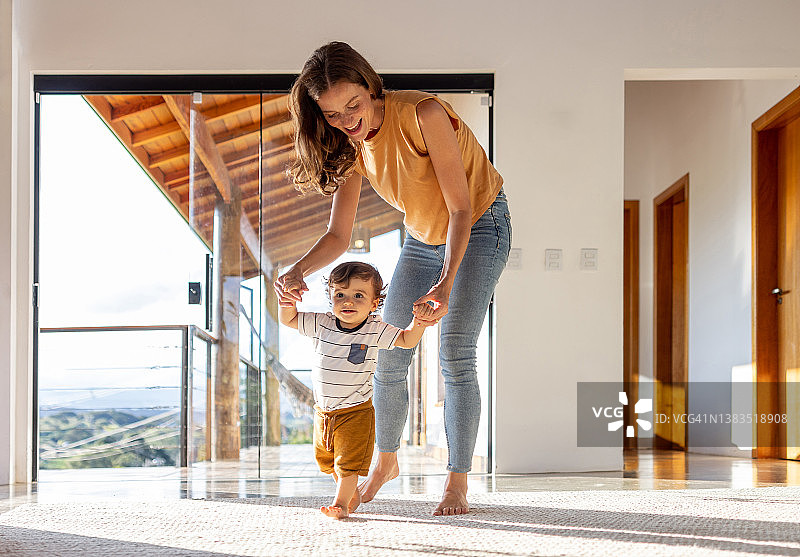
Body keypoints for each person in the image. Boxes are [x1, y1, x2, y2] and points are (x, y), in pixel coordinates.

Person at [274, 41, 511, 516]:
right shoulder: (351, 146)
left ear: (370, 86)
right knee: (387, 352)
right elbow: (338, 235)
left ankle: (457, 481)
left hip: (480, 225)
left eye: (353, 105)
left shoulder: (423, 114)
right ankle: (385, 462)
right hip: (422, 239)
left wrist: (444, 284)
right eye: (333, 114)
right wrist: (298, 270)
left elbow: (460, 209)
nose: (347, 121)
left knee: (455, 353)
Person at [278, 261, 434, 519]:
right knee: (328, 461)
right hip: (324, 412)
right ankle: (351, 495)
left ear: (374, 304)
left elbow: (407, 340)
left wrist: (419, 322)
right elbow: (290, 319)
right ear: (331, 297)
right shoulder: (321, 323)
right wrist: (287, 302)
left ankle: (340, 504)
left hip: (355, 411)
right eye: (340, 294)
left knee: (347, 462)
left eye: (358, 295)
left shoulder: (375, 329)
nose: (348, 301)